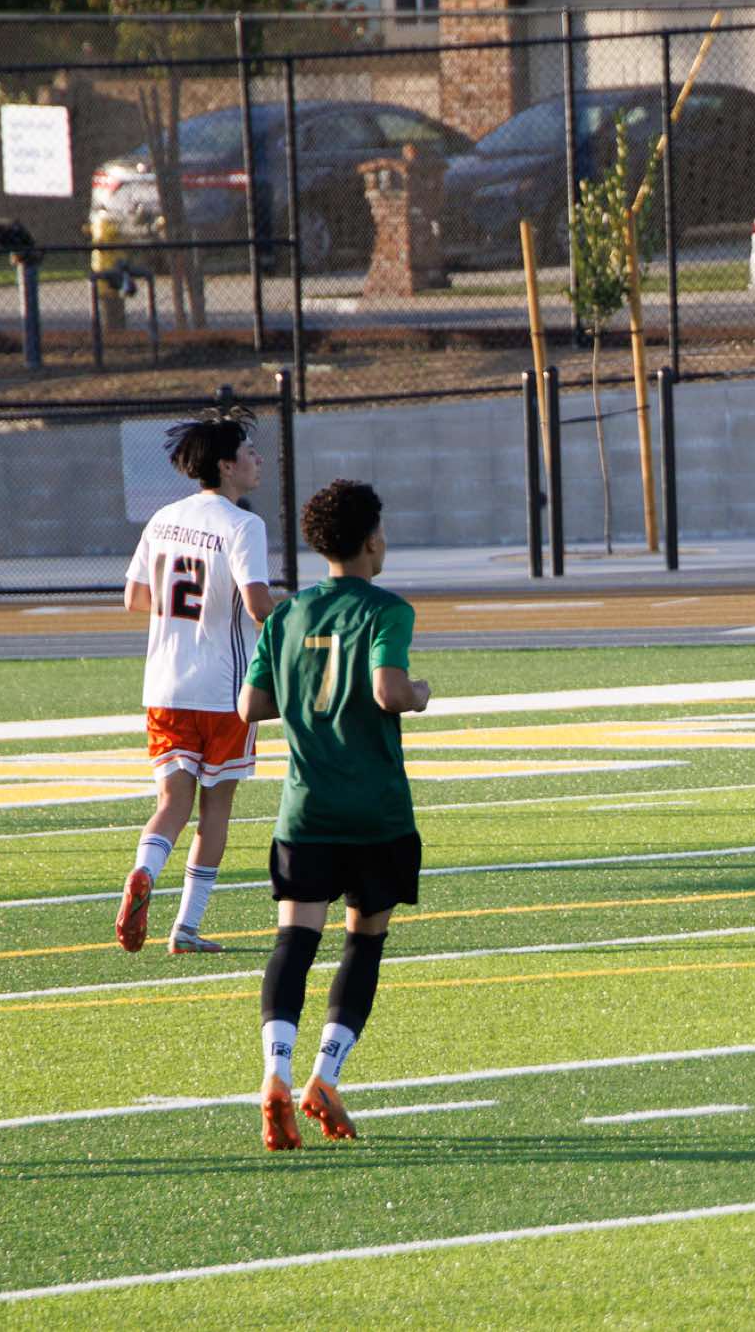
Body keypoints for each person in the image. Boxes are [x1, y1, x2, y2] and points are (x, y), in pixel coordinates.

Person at [236, 480, 430, 1151]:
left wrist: (300, 695)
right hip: (375, 811)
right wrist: (421, 693)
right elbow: (388, 690)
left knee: (294, 941)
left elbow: (250, 706)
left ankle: (275, 1072)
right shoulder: (387, 609)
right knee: (364, 941)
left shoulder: (288, 614)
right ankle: (326, 1073)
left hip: (306, 810)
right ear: (372, 540)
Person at [114, 406, 277, 955]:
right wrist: (300, 626)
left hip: (165, 685)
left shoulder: (163, 518)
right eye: (249, 452)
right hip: (225, 691)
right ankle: (186, 927)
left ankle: (144, 869)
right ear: (227, 465)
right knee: (216, 808)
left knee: (171, 802)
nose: (258, 459)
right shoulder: (243, 524)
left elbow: (135, 598)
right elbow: (258, 606)